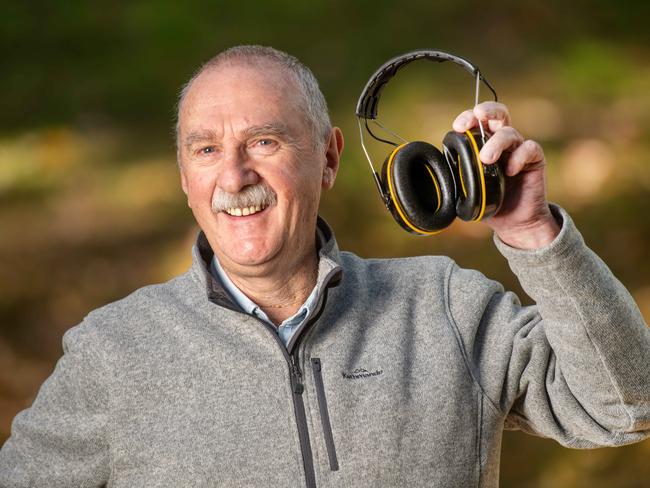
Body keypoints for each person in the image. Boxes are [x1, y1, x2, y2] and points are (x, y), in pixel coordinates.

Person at [0, 45, 648, 488]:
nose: (234, 175)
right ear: (183, 177)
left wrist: (535, 232)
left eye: (264, 141)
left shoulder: (447, 308)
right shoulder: (114, 350)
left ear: (331, 158)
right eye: (205, 149)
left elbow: (627, 405)